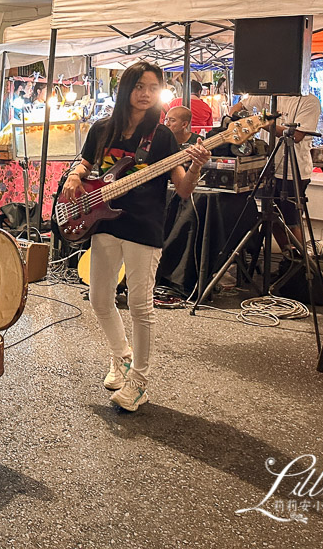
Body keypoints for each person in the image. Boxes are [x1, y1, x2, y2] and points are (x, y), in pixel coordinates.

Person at [61, 61, 209, 413]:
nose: (145, 94)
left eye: (152, 87)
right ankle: (121, 356)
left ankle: (139, 382)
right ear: (126, 89)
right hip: (105, 224)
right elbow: (85, 161)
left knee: (141, 308)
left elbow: (184, 190)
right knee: (99, 299)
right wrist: (74, 174)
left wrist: (197, 166)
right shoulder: (102, 129)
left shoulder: (162, 137)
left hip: (144, 226)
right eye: (139, 86)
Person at [233, 93, 322, 252]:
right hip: (266, 167)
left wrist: (259, 122)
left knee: (291, 221)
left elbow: (297, 135)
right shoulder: (268, 95)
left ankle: (301, 262)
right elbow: (240, 106)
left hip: (292, 170)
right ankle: (289, 256)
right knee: (270, 218)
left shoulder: (309, 101)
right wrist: (234, 117)